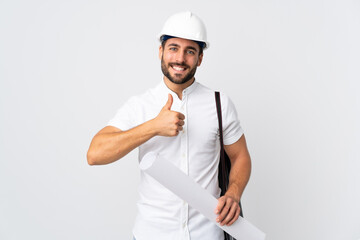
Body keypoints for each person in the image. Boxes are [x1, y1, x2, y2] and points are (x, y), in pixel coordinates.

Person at [87, 11, 251, 240]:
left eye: (190, 51)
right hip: (151, 234)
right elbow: (95, 154)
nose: (180, 59)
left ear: (200, 58)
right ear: (161, 51)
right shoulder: (140, 105)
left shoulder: (219, 103)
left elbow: (240, 156)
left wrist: (233, 194)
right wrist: (153, 127)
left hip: (207, 234)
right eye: (173, 48)